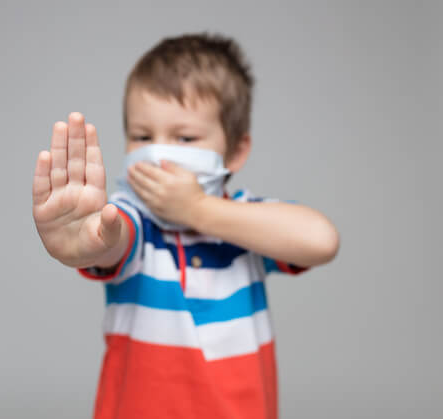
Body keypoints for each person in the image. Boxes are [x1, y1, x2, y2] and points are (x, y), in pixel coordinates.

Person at [31, 32, 339, 419]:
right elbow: (113, 239)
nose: (158, 153)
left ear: (236, 150)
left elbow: (322, 240)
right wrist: (84, 242)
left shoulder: (249, 222)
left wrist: (197, 209)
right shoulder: (134, 217)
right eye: (142, 136)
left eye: (185, 137)